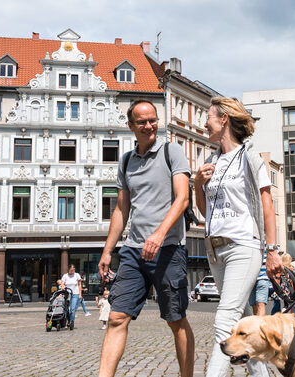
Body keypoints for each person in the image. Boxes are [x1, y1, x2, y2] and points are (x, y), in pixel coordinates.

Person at [97, 100, 194, 377]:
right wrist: (107, 251)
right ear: (131, 126)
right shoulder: (126, 160)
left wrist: (159, 234)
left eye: (152, 120)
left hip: (169, 249)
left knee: (175, 319)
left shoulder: (171, 151)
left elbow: (183, 198)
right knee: (116, 317)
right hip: (133, 251)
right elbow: (121, 209)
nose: (149, 126)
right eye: (142, 122)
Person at [194, 98, 282, 377]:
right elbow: (205, 210)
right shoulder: (210, 161)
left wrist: (272, 250)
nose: (204, 123)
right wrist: (198, 184)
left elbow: (267, 205)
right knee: (244, 320)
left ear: (224, 120)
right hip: (215, 251)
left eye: (208, 117)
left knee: (225, 318)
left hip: (244, 245)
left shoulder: (250, 158)